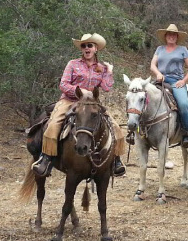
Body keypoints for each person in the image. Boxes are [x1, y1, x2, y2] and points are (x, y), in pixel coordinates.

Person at [31, 33, 127, 177]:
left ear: (96, 49)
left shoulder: (101, 68)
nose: (86, 48)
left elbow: (106, 87)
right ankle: (46, 158)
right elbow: (63, 84)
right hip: (70, 100)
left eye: (90, 45)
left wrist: (110, 72)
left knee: (116, 127)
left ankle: (116, 161)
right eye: (84, 46)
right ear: (81, 49)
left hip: (92, 104)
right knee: (53, 124)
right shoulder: (73, 64)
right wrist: (78, 91)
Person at [149, 23, 188, 147]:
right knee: (142, 97)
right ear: (166, 36)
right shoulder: (159, 49)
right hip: (161, 80)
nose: (171, 36)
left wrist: (184, 80)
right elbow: (153, 65)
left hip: (176, 81)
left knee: (184, 104)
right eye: (169, 34)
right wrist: (158, 73)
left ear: (177, 37)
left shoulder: (182, 50)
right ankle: (137, 131)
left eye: (174, 35)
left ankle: (187, 133)